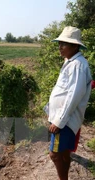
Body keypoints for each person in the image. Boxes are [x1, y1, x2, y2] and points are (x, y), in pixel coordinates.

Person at [44, 26, 92, 180]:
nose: (60, 47)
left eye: (64, 44)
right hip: (63, 118)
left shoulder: (77, 65)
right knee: (64, 152)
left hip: (65, 120)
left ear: (75, 46)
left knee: (55, 154)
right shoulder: (71, 62)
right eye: (59, 43)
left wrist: (59, 120)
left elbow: (73, 96)